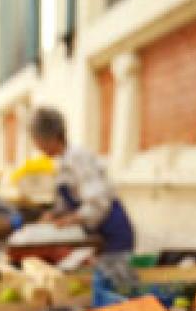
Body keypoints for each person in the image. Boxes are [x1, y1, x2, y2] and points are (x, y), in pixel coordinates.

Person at [30, 106, 134, 253]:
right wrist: (54, 214)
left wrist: (70, 220)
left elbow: (98, 203)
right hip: (95, 234)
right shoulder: (62, 163)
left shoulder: (79, 158)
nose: (37, 146)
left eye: (37, 140)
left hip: (111, 234)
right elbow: (68, 202)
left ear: (50, 138)